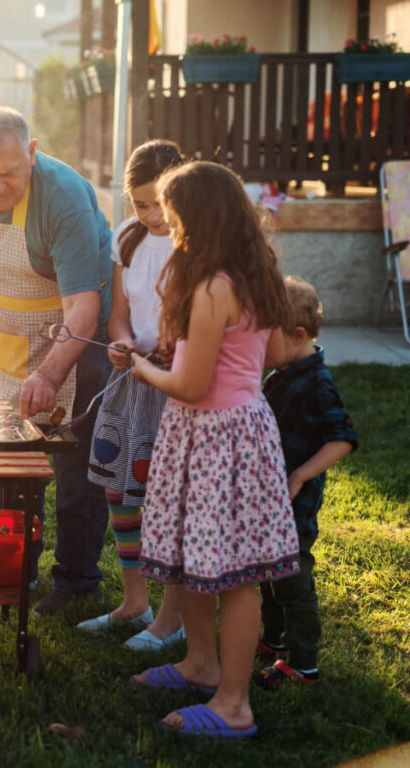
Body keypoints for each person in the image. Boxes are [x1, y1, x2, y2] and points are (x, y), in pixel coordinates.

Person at [127, 161, 300, 739]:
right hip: (245, 430)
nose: (170, 227)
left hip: (210, 436)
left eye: (173, 216)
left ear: (197, 218)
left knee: (234, 576)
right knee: (193, 559)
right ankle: (200, 665)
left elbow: (191, 385)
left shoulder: (209, 286)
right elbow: (275, 352)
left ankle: (233, 704)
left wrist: (144, 369)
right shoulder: (256, 276)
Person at [0, 106, 113, 613]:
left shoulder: (65, 199)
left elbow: (83, 307)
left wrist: (51, 372)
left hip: (74, 336)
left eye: (7, 174)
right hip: (7, 330)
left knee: (73, 461)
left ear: (32, 153)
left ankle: (76, 581)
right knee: (9, 455)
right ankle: (13, 567)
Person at [75, 140, 186, 651]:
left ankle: (173, 617)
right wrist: (121, 341)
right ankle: (133, 601)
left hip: (173, 385)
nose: (150, 215)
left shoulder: (196, 244)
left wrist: (160, 357)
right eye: (139, 204)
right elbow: (119, 311)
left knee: (167, 500)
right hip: (129, 383)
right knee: (121, 492)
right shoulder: (128, 237)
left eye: (157, 204)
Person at [254, 276, 357, 689]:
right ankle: (274, 642)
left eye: (265, 338)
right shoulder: (283, 372)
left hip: (294, 506)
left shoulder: (318, 384)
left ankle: (303, 662)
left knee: (292, 580)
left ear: (298, 335)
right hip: (269, 500)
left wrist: (301, 474)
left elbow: (343, 439)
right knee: (270, 574)